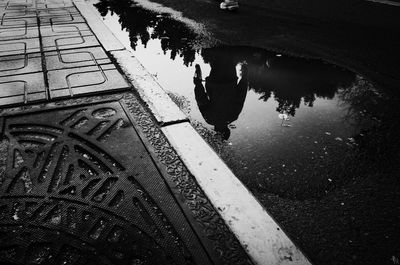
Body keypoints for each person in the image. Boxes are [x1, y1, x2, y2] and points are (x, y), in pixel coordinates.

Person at [193, 60, 248, 140]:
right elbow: (201, 99)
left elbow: (240, 95)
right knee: (217, 62)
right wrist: (198, 83)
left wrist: (244, 77)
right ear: (216, 130)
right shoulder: (209, 118)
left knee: (229, 61)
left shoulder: (233, 116)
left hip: (230, 81)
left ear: (227, 130)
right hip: (214, 83)